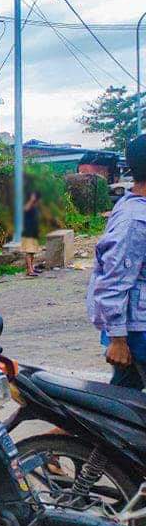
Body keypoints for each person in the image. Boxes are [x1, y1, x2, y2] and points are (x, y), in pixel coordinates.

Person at [87, 134, 146, 390]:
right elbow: (113, 280)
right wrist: (118, 339)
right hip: (136, 332)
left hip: (135, 327)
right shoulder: (134, 220)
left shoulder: (135, 206)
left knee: (120, 400)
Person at [22, 191, 42, 277]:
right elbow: (25, 209)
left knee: (32, 251)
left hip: (34, 232)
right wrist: (31, 200)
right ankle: (29, 271)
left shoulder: (34, 207)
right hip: (28, 232)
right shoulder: (27, 205)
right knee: (29, 252)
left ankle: (32, 268)